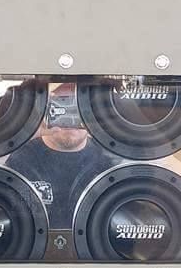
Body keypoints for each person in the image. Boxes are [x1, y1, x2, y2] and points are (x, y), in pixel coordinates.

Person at [6, 83, 119, 229]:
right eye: (62, 104)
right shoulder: (19, 157)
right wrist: (22, 136)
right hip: (31, 247)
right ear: (45, 109)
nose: (70, 115)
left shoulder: (108, 161)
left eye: (78, 107)